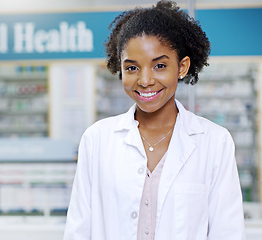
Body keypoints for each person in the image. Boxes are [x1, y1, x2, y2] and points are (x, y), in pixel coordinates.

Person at [63, 1, 246, 239]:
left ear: (182, 67)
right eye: (132, 68)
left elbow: (227, 232)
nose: (145, 80)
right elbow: (78, 230)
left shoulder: (214, 141)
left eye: (159, 65)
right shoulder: (97, 139)